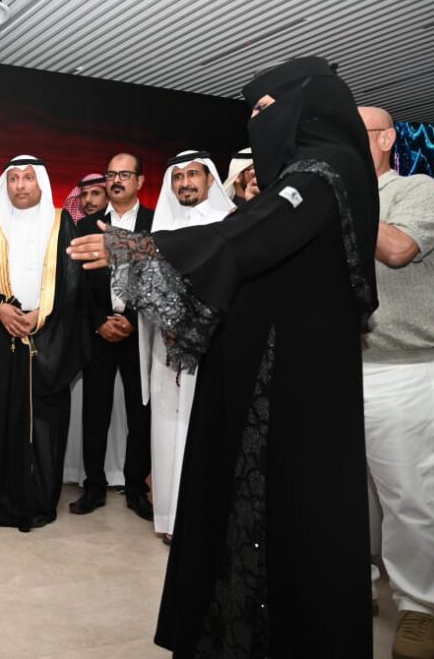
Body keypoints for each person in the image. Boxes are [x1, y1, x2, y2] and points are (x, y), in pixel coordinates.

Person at [68, 56, 378, 657]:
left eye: (266, 109)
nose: (257, 123)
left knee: (285, 510)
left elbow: (251, 236)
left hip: (288, 378)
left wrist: (140, 247)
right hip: (273, 362)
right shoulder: (321, 170)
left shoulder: (324, 169)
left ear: (306, 103)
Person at [0, 155, 88, 532]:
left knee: (42, 427)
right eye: (13, 179)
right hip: (0, 340)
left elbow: (74, 281)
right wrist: (0, 309)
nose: (20, 185)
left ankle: (36, 502)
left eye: (28, 178)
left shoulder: (62, 224)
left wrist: (41, 315)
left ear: (40, 183)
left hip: (47, 340)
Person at [358, 104, 434, 659]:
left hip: (401, 366)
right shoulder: (324, 201)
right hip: (332, 368)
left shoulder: (416, 189)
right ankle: (356, 583)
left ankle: (419, 607)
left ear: (387, 139)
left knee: (409, 496)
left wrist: (340, 198)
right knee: (345, 494)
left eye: (356, 134)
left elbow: (397, 249)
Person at [140, 150, 235, 542]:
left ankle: (203, 522)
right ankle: (172, 518)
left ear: (210, 179)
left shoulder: (230, 225)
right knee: (167, 428)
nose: (185, 183)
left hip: (213, 348)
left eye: (193, 174)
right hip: (167, 348)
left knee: (204, 430)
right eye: (177, 177)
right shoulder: (160, 233)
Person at [70, 153, 153, 519]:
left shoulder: (155, 223)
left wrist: (133, 320)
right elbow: (76, 283)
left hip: (141, 333)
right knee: (95, 412)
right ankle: (94, 487)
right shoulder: (86, 225)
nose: (117, 180)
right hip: (99, 331)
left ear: (140, 181)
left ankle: (136, 488)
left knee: (141, 413)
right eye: (111, 174)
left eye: (125, 174)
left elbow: (162, 278)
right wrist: (99, 321)